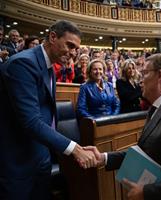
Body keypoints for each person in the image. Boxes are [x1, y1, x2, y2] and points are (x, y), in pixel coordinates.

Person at [0, 20, 101, 200]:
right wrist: (74, 149)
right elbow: (31, 121)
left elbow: (47, 116)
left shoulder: (49, 67)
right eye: (70, 45)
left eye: (76, 49)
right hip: (17, 162)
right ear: (53, 37)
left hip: (40, 159)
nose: (73, 53)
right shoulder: (22, 64)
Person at [95, 53, 161, 200]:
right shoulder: (156, 108)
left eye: (145, 73)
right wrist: (104, 158)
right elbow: (146, 152)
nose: (140, 79)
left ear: (159, 75)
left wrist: (145, 192)